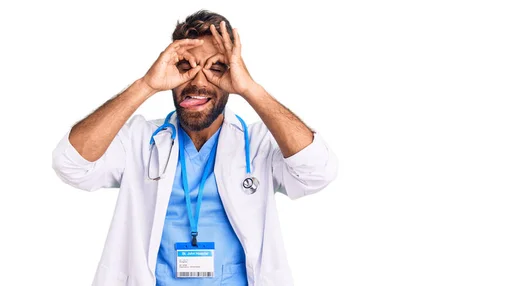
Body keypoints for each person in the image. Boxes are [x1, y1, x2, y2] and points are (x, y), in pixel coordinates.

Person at [52, 9, 338, 286]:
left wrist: (250, 88)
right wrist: (146, 85)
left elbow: (316, 173)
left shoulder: (259, 144)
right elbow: (71, 165)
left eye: (216, 67)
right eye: (185, 67)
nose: (199, 81)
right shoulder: (139, 140)